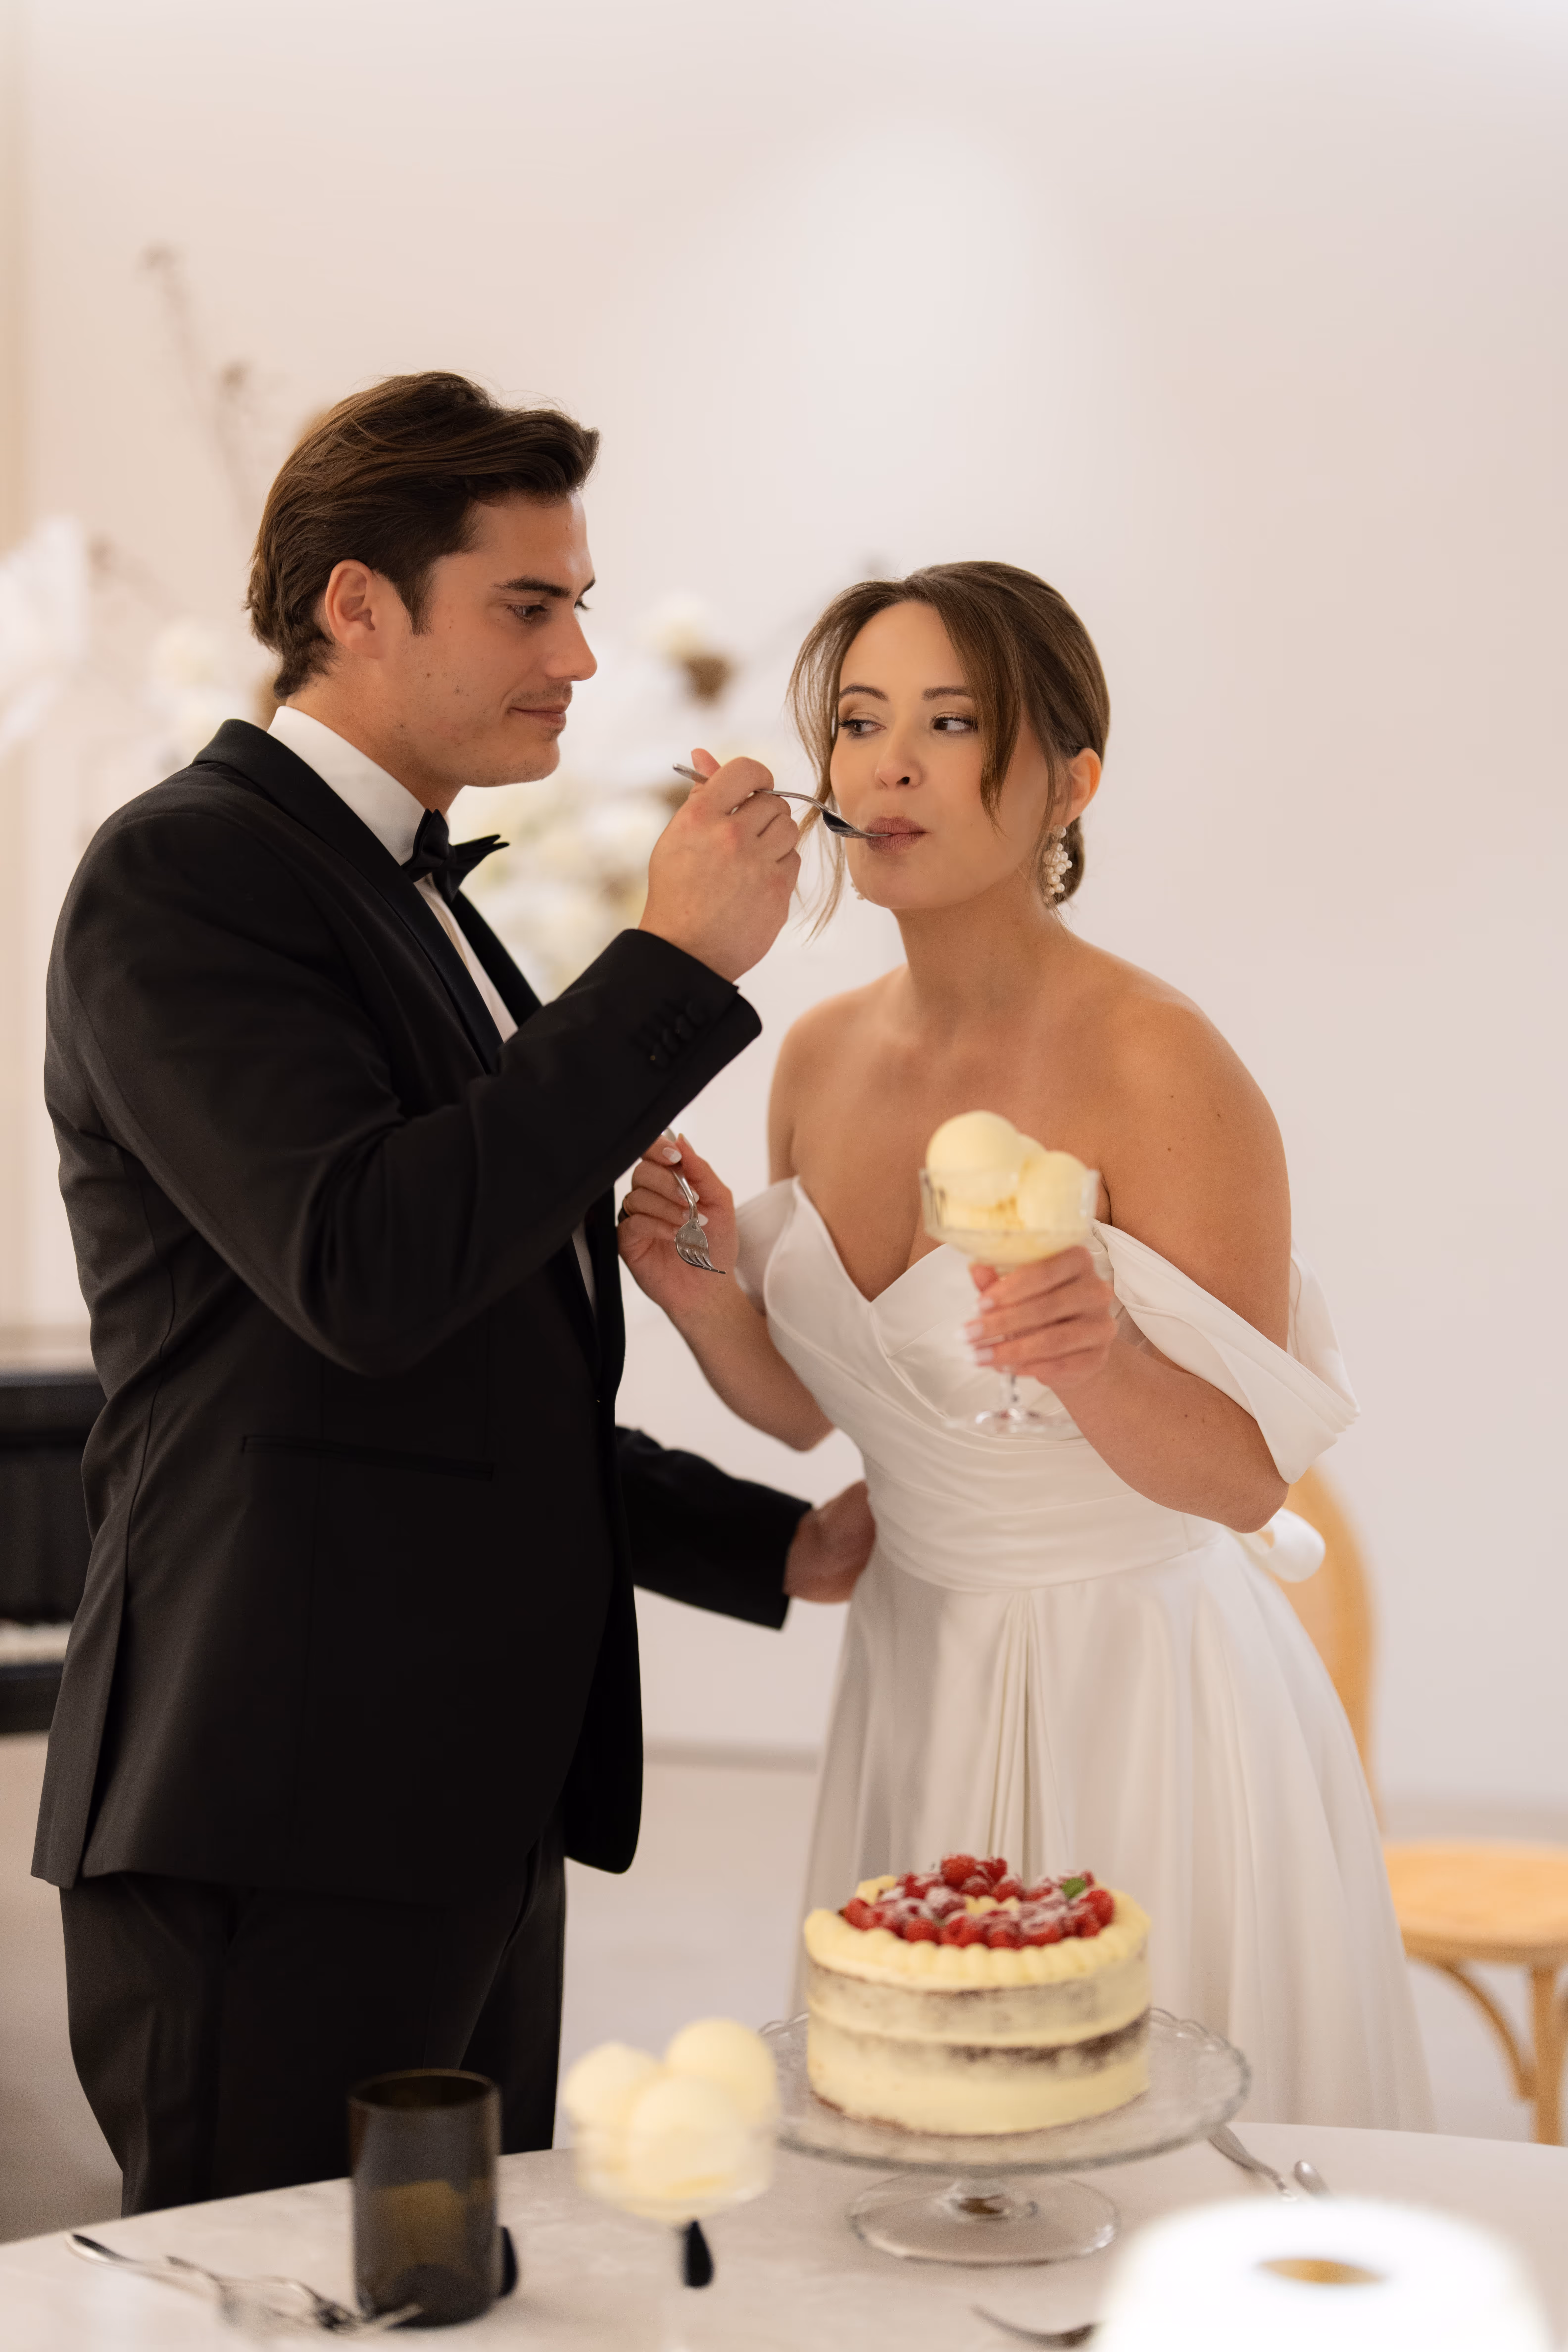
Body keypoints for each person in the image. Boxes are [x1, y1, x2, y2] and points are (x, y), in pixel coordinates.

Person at [36, 371, 875, 2213]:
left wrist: (770, 1544)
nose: (580, 654)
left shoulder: (417, 890)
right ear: (354, 602)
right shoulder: (182, 875)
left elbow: (462, 1377)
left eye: (585, 602)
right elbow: (368, 1274)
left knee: (447, 2312)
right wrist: (665, 965)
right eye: (529, 602)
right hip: (279, 1790)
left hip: (454, 1798)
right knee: (283, 2316)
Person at [618, 560, 1431, 2127]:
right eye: (858, 724)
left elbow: (1243, 1479)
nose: (890, 766)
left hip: (1149, 1691)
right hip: (915, 1669)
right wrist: (707, 1294)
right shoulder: (816, 1056)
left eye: (951, 720)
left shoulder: (1161, 1059)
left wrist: (1101, 1360)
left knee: (1155, 2151)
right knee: (926, 2148)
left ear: (1072, 779)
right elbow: (818, 1422)